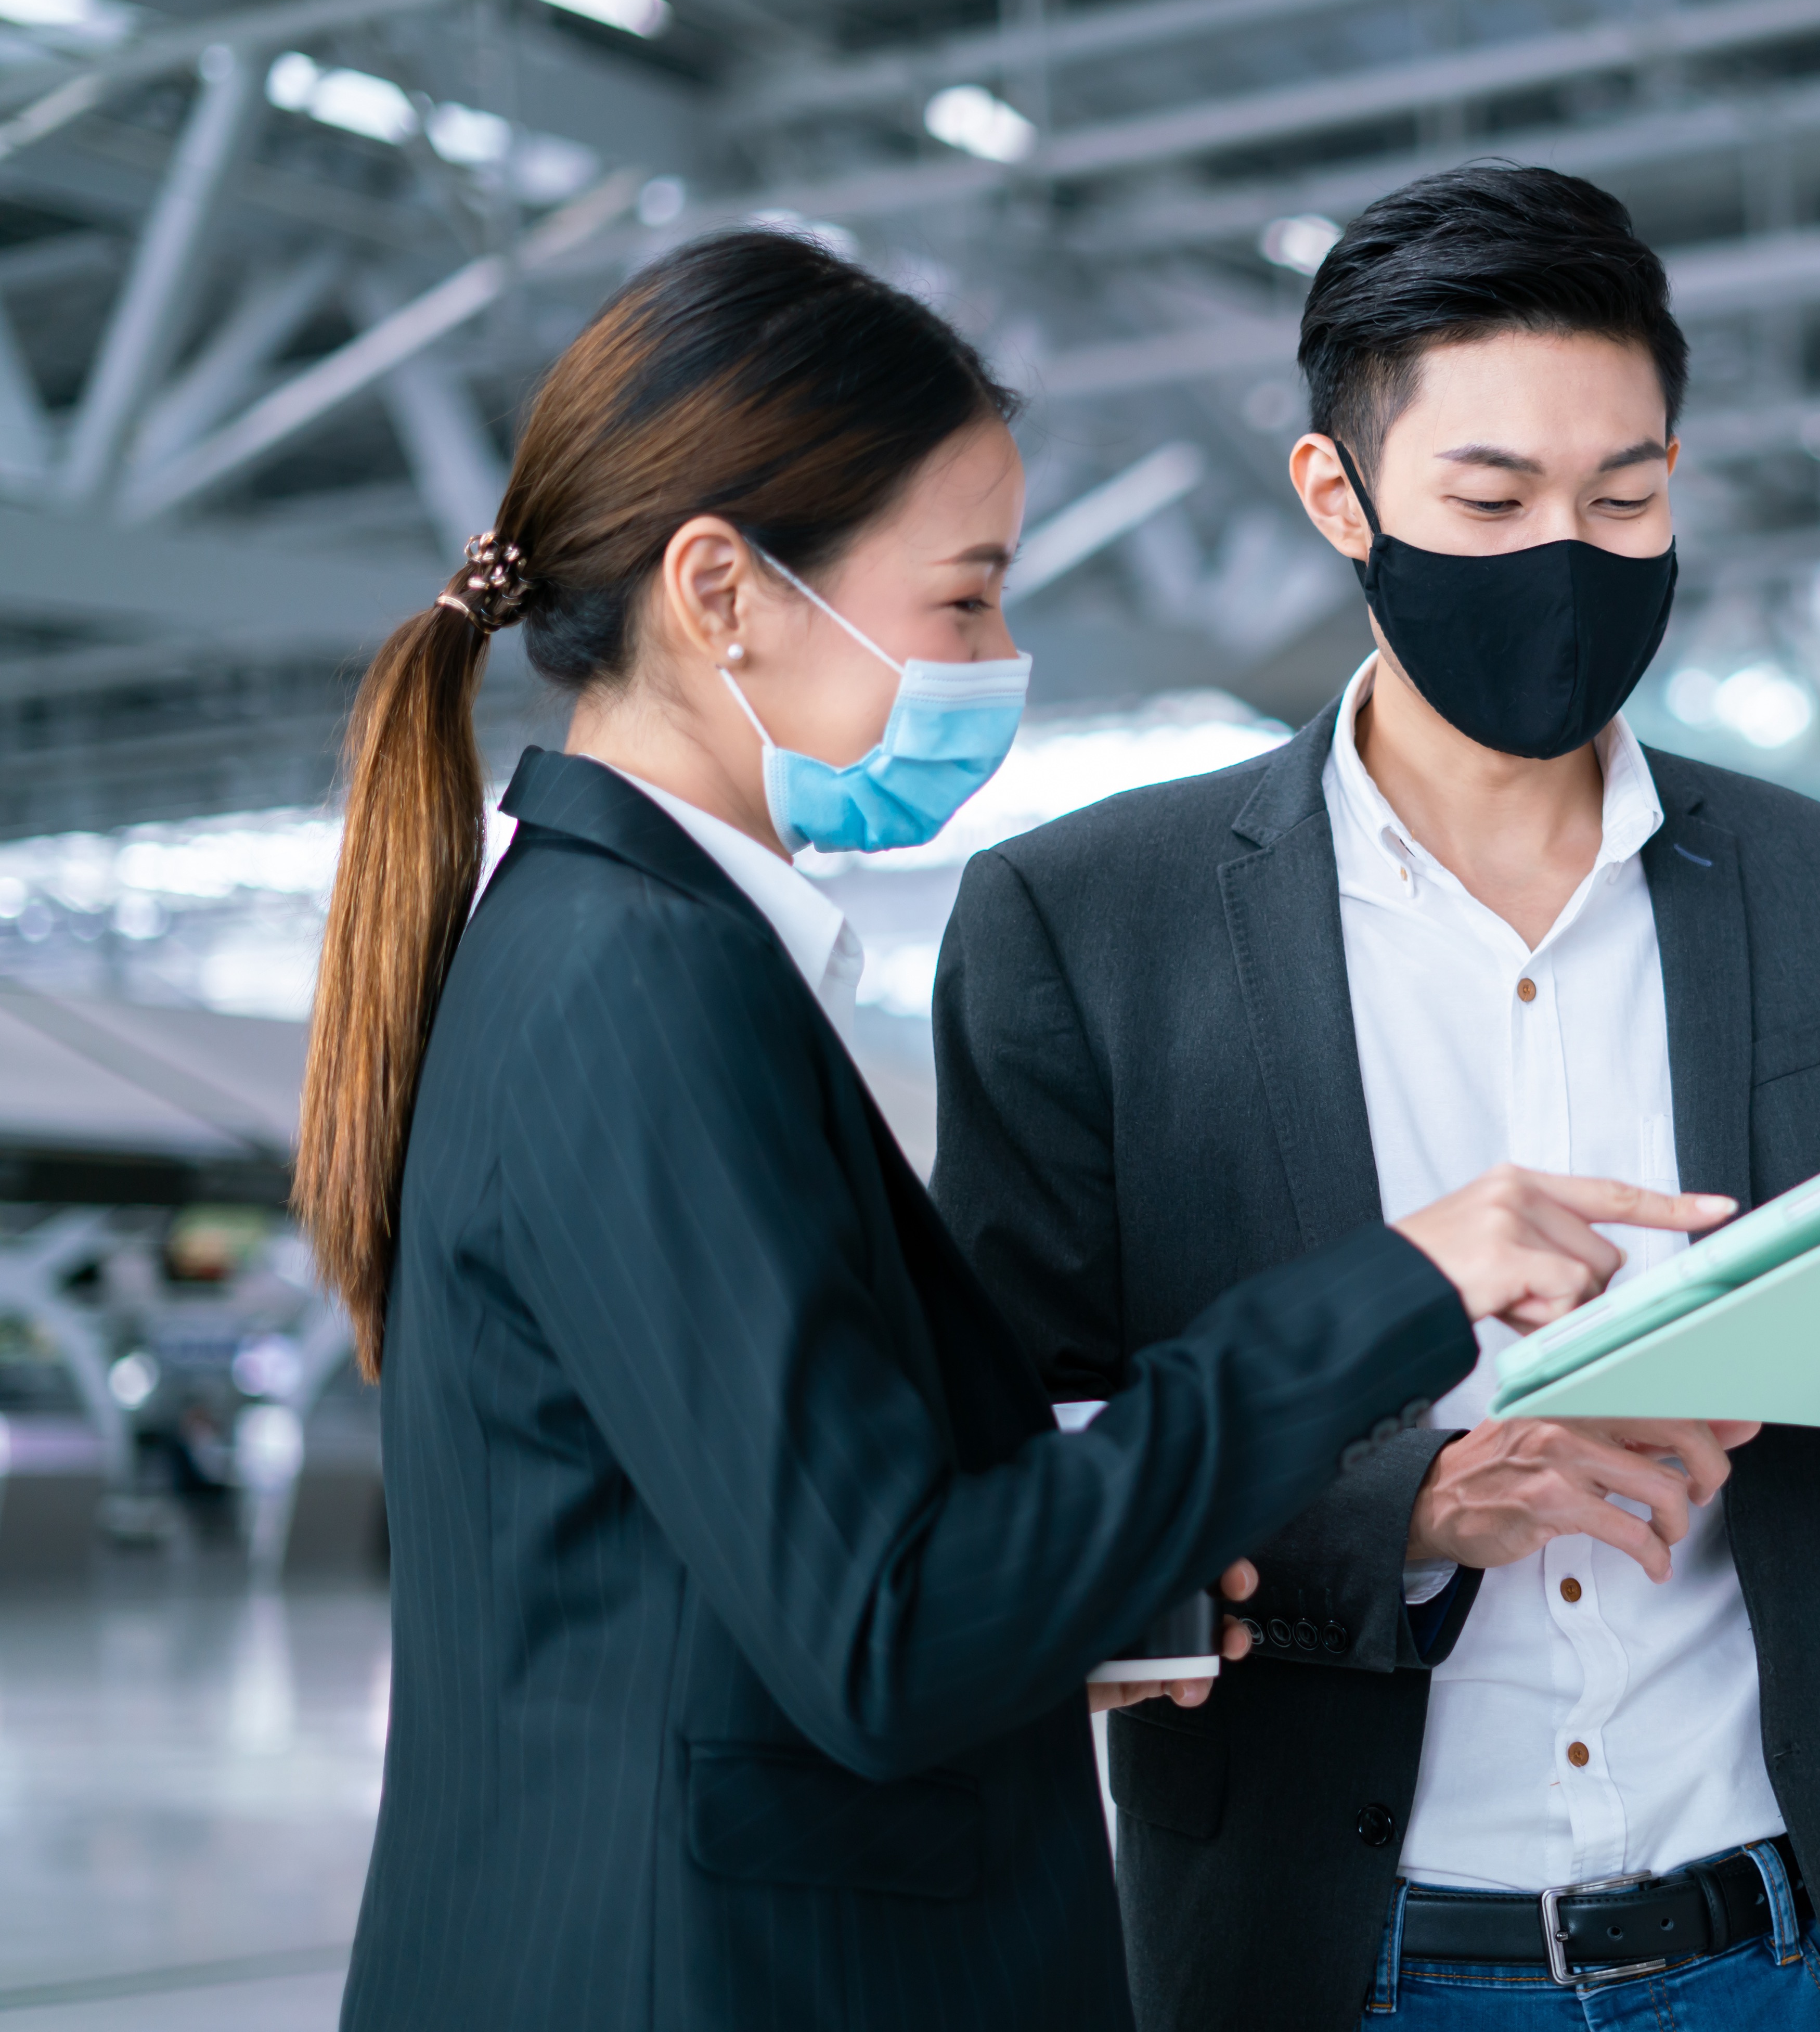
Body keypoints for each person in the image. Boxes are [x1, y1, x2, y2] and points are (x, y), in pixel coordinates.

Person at [299, 228, 1715, 2032]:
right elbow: (891, 1631)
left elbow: (777, 1575)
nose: (1000, 654)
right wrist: (1400, 1286)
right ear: (721, 592)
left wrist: (1092, 1608)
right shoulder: (632, 988)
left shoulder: (636, 959)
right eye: (963, 600)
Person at [931, 166, 1820, 2031]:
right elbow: (1023, 1474)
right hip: (1331, 1961)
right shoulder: (1090, 927)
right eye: (1490, 500)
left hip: (1781, 1949)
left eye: (1626, 495)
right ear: (1340, 497)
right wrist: (1409, 1511)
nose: (1566, 554)